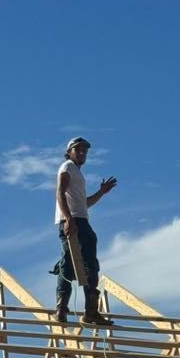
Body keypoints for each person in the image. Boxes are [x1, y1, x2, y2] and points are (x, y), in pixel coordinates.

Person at [53, 137, 117, 326]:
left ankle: (90, 312)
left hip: (80, 220)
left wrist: (101, 193)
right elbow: (59, 192)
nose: (82, 153)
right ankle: (61, 309)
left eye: (84, 151)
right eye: (78, 150)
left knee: (90, 267)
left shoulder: (77, 173)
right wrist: (69, 219)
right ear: (69, 152)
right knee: (68, 264)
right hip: (72, 221)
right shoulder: (67, 167)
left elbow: (84, 204)